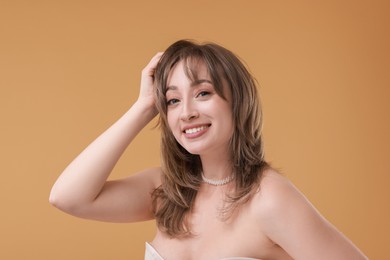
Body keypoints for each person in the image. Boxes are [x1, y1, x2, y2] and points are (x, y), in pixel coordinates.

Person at [49, 40, 367, 259]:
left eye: (203, 93)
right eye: (173, 100)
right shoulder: (167, 192)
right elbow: (67, 197)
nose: (186, 112)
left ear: (237, 101)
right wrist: (143, 106)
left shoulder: (269, 199)